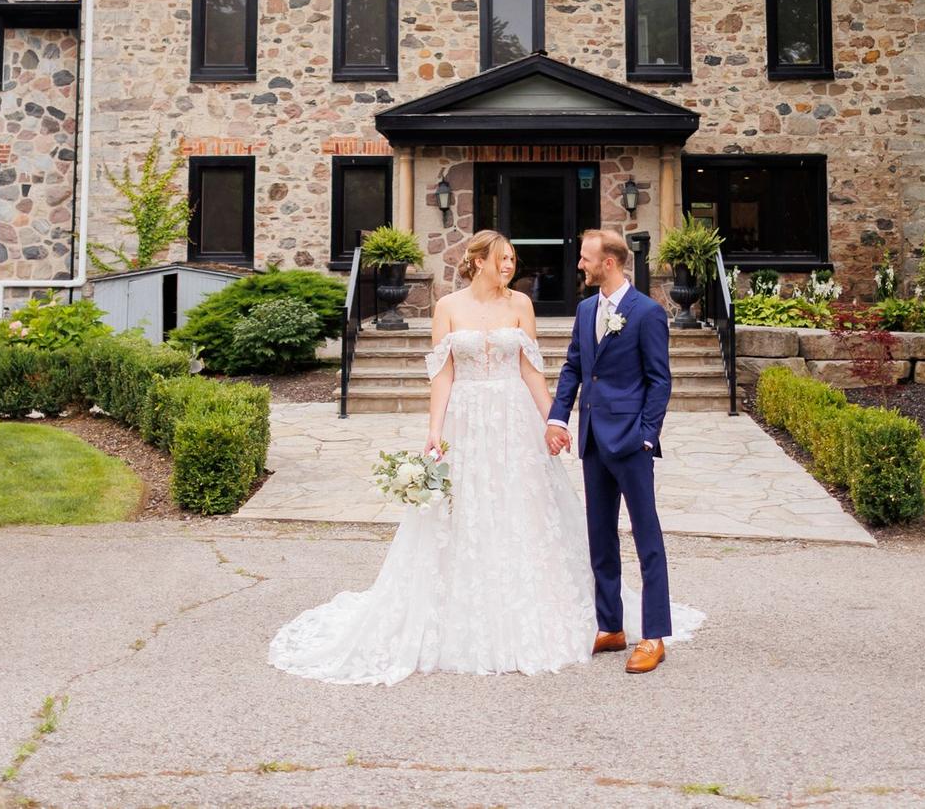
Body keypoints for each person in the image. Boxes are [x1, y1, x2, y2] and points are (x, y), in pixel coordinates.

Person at [268, 229, 701, 684]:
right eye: (504, 259)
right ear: (478, 261)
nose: (511, 266)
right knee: (501, 519)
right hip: (468, 422)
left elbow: (537, 372)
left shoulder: (527, 305)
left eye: (514, 258)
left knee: (552, 516)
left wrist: (552, 421)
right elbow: (446, 375)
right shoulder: (449, 308)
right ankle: (607, 625)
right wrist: (434, 432)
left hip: (523, 422)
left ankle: (646, 631)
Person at [546, 228, 675, 674]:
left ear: (610, 263)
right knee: (600, 537)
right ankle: (611, 626)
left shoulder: (647, 313)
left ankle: (654, 636)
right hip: (593, 441)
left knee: (647, 539)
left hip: (631, 443)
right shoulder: (585, 310)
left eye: (586, 258)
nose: (579, 265)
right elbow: (575, 367)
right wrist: (558, 418)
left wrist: (646, 435)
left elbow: (660, 380)